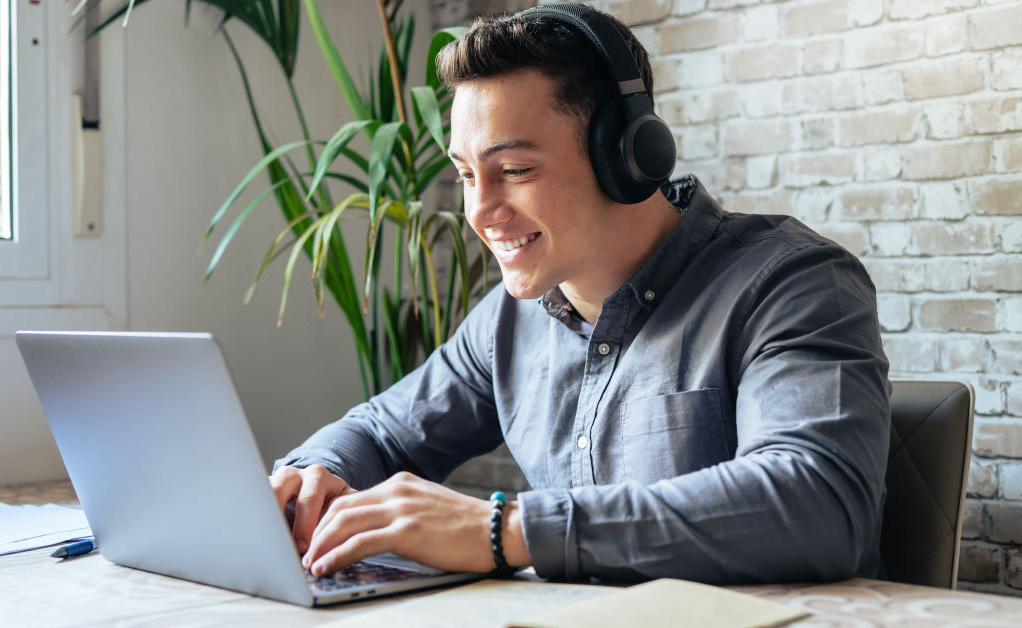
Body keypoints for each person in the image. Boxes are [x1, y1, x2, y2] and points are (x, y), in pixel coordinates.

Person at [270, 3, 890, 584]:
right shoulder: (508, 322)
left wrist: (503, 531)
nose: (480, 213)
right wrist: (312, 477)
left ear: (628, 156)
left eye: (514, 171)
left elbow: (818, 502)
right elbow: (381, 433)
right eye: (465, 175)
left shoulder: (791, 285)